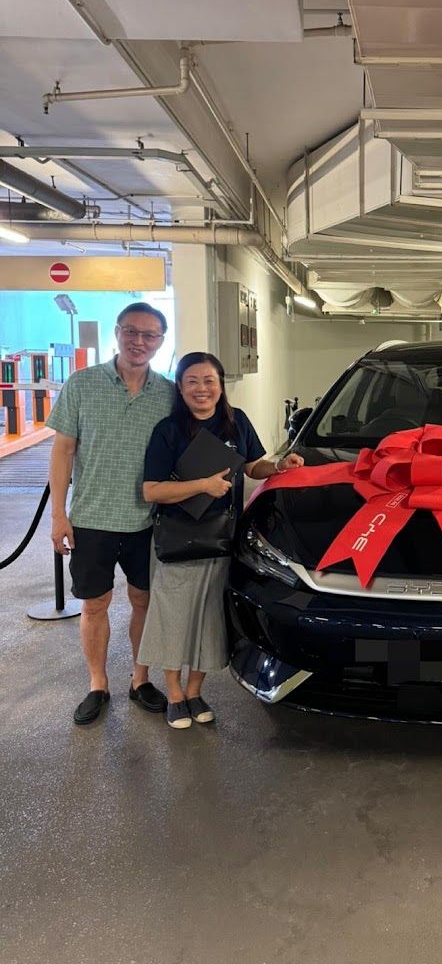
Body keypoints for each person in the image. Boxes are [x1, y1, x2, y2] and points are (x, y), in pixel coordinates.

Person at [138, 351, 303, 729]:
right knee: (174, 617)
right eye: (192, 381)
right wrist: (203, 486)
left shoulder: (236, 422)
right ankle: (175, 694)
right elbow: (152, 491)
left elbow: (252, 466)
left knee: (210, 617)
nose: (202, 389)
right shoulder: (168, 431)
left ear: (220, 385)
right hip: (178, 541)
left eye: (209, 381)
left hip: (223, 537)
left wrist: (278, 466)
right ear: (179, 387)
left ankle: (196, 691)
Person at [48, 303, 175, 726]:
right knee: (94, 605)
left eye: (150, 335)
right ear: (117, 333)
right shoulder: (82, 384)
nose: (140, 341)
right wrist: (58, 516)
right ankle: (97, 684)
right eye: (131, 332)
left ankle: (140, 680)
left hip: (147, 521)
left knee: (144, 601)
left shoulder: (169, 393)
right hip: (91, 517)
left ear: (160, 341)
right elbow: (63, 450)